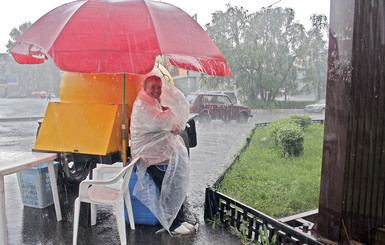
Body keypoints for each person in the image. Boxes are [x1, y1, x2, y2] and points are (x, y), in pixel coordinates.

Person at [130, 75, 194, 235]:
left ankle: (180, 219)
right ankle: (172, 224)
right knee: (168, 185)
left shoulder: (152, 101)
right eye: (153, 88)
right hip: (149, 156)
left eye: (159, 88)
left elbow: (164, 120)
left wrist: (171, 119)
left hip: (161, 154)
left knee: (175, 183)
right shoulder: (142, 103)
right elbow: (158, 121)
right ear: (146, 88)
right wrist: (172, 118)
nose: (157, 91)